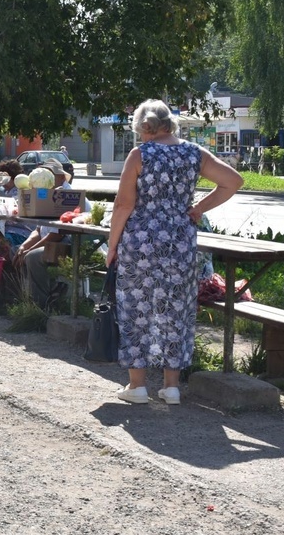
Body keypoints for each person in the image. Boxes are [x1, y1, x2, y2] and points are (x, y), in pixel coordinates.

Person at [108, 99, 244, 406]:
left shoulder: (139, 154)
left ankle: (137, 386)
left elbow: (123, 205)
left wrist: (113, 244)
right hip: (180, 241)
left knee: (137, 307)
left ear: (146, 127)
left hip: (139, 242)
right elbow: (233, 182)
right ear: (171, 124)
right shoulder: (194, 153)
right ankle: (171, 388)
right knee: (176, 308)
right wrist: (197, 209)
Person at [14, 159, 84, 308]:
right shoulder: (46, 196)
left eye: (51, 174)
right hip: (52, 242)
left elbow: (57, 235)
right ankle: (15, 297)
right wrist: (24, 246)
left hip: (69, 244)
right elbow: (38, 231)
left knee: (32, 257)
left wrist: (29, 250)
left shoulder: (66, 196)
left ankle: (40, 305)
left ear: (59, 177)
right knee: (16, 250)